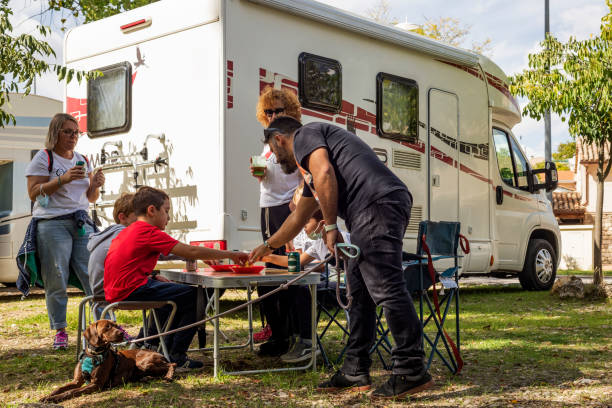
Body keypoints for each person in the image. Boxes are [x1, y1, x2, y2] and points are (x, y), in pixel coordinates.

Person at [249, 117, 432, 399]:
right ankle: (354, 369)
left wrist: (332, 226)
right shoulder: (310, 170)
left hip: (376, 204)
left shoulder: (305, 135)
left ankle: (410, 369)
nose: (275, 158)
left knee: (386, 288)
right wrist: (267, 246)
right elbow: (299, 216)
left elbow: (324, 173)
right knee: (358, 294)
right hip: (371, 209)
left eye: (273, 151)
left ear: (279, 138)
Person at [104, 186, 248, 369]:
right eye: (166, 211)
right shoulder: (147, 231)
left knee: (176, 294)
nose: (169, 217)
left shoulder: (130, 230)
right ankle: (177, 355)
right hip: (129, 290)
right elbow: (190, 250)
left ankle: (160, 348)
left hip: (117, 290)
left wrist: (153, 277)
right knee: (196, 296)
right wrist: (231, 255)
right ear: (151, 210)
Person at [22, 113, 105, 350]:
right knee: (55, 277)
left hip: (80, 221)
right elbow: (33, 193)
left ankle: (103, 327)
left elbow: (90, 197)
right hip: (52, 223)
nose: (73, 137)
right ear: (56, 132)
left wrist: (96, 185)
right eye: (68, 131)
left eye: (76, 132)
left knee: (93, 274)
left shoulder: (82, 159)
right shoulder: (44, 157)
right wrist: (63, 179)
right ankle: (60, 330)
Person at [251, 87, 302, 354]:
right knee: (269, 272)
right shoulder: (267, 141)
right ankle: (278, 334)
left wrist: (299, 205)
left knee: (290, 271)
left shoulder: (296, 136)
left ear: (289, 110)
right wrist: (258, 172)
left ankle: (295, 334)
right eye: (268, 111)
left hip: (289, 208)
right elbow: (268, 176)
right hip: (267, 208)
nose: (271, 116)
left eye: (277, 111)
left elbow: (305, 176)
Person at [262, 210, 349, 363]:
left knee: (301, 288)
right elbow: (297, 261)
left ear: (322, 224)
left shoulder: (341, 238)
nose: (303, 228)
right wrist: (266, 256)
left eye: (306, 223)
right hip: (330, 285)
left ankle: (308, 342)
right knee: (291, 287)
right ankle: (293, 337)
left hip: (345, 288)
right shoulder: (317, 243)